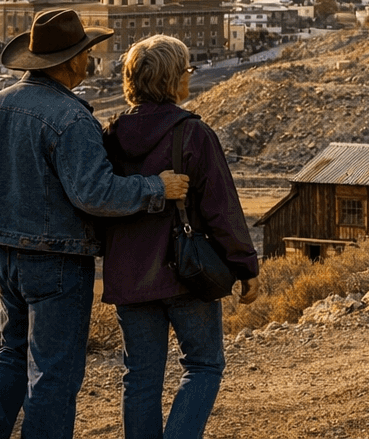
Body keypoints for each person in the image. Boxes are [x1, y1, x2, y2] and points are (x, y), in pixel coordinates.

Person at [0, 8, 190, 439]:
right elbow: (96, 193)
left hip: (2, 256)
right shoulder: (71, 118)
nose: (89, 59)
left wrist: (3, 227)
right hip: (58, 261)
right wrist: (156, 187)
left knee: (13, 348)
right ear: (69, 62)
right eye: (85, 52)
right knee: (54, 371)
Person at [101, 34, 260, 439]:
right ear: (173, 81)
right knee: (204, 365)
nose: (190, 77)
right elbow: (220, 207)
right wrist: (245, 265)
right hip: (185, 270)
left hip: (129, 274)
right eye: (186, 70)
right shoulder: (192, 134)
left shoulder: (109, 136)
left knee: (140, 376)